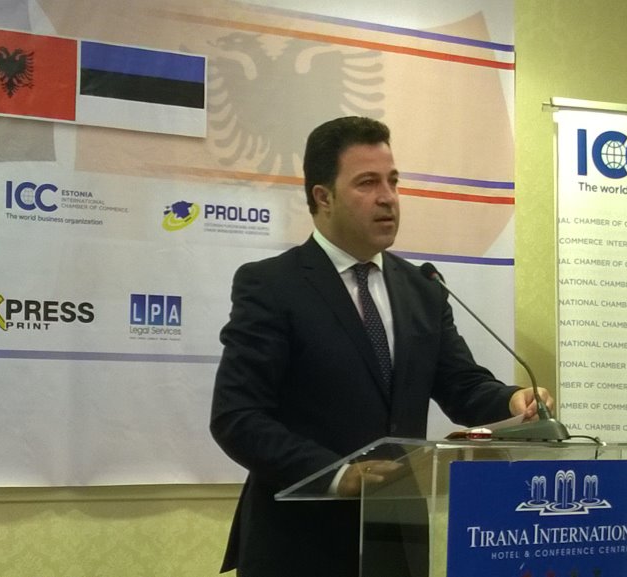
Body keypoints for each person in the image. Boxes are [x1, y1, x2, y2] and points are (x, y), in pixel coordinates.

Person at [210, 116, 554, 577]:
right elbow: (237, 416)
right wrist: (339, 474)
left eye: (393, 181)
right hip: (299, 542)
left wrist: (513, 400)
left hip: (397, 540)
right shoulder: (272, 286)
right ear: (323, 197)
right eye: (367, 183)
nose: (388, 197)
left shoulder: (422, 288)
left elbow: (461, 385)